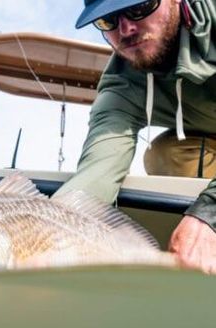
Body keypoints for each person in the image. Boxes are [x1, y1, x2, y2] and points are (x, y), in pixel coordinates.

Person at [56, 0, 216, 273]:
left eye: (140, 7)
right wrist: (48, 233)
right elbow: (97, 171)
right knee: (165, 154)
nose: (126, 28)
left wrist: (210, 215)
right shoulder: (122, 82)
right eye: (108, 20)